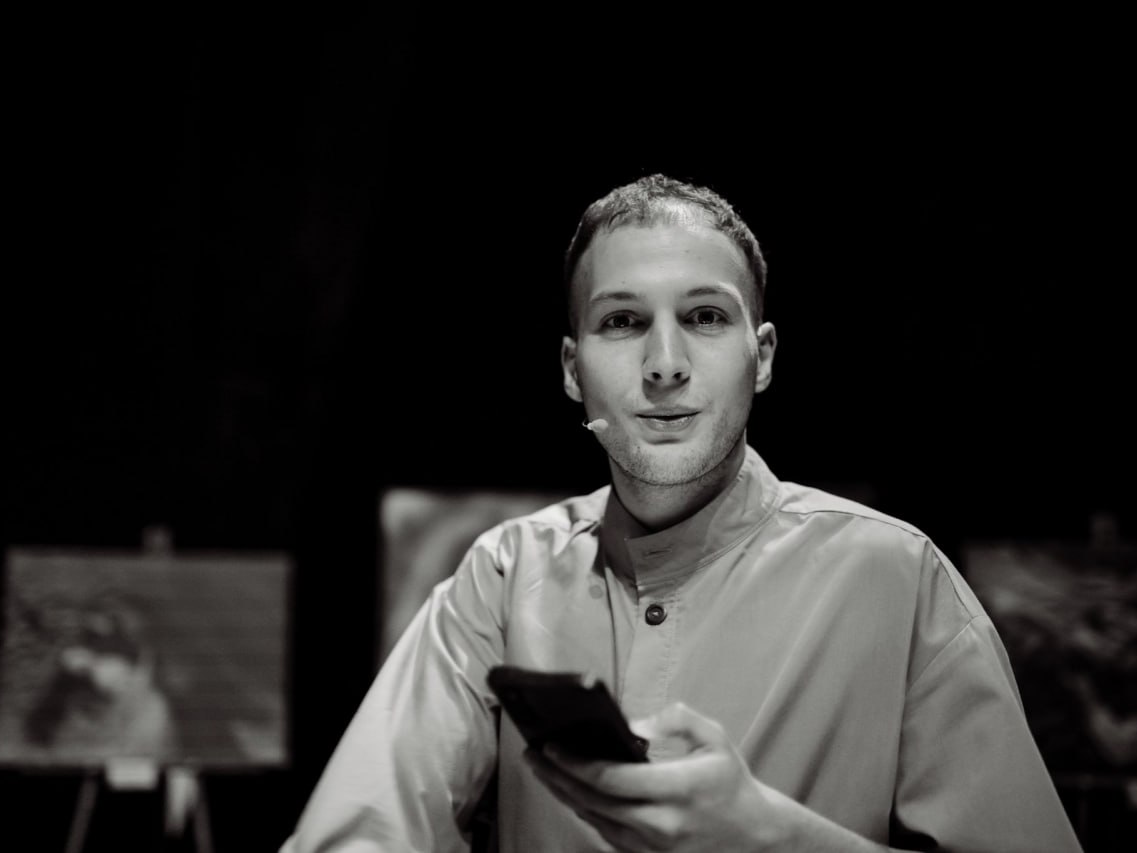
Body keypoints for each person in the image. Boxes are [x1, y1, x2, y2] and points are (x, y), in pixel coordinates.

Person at [281, 174, 1082, 851]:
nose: (665, 364)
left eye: (704, 317)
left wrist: (769, 837)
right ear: (572, 369)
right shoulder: (501, 575)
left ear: (761, 356)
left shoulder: (900, 581)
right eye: (623, 321)